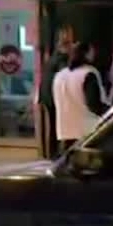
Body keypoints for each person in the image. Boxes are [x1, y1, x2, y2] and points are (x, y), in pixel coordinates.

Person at [52, 42, 109, 153]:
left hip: (64, 132)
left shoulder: (59, 75)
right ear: (87, 54)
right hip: (87, 132)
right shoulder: (88, 74)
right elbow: (94, 104)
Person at [39, 25, 73, 158]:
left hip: (49, 95)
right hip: (54, 96)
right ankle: (55, 154)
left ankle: (52, 153)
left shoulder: (53, 56)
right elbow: (64, 74)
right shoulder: (61, 57)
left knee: (54, 125)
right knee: (57, 126)